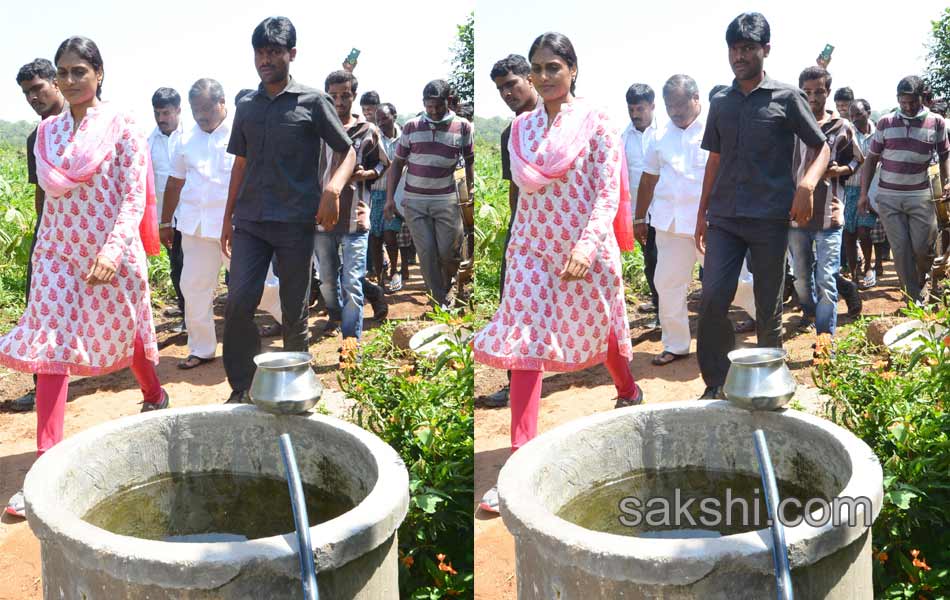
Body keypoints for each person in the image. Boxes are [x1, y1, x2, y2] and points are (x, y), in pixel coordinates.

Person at [472, 32, 640, 513]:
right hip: (531, 247)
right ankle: (519, 473)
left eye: (552, 68)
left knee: (602, 330)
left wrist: (586, 248)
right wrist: (515, 251)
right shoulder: (521, 131)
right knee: (527, 344)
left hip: (585, 246)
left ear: (572, 70)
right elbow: (524, 197)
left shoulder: (598, 123)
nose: (543, 77)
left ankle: (628, 388)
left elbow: (607, 193)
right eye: (536, 69)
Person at [1, 36, 167, 518]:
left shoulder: (124, 127)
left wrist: (113, 252)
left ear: (98, 74)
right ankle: (45, 473)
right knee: (50, 350)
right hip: (57, 252)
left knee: (127, 334)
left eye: (79, 71)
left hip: (109, 251)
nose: (69, 81)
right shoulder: (47, 135)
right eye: (63, 73)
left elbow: (132, 198)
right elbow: (50, 201)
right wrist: (41, 254)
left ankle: (154, 393)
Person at [695, 13, 830, 400]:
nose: (739, 56)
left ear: (765, 50)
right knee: (712, 299)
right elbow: (714, 160)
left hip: (769, 218)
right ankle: (716, 382)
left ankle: (771, 383)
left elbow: (822, 146)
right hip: (724, 218)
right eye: (734, 49)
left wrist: (806, 183)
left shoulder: (787, 98)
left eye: (748, 48)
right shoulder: (720, 101)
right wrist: (701, 213)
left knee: (768, 307)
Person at [222, 16, 355, 404]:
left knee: (295, 311)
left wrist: (333, 187)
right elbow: (240, 164)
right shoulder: (246, 104)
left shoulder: (313, 101)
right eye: (260, 52)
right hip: (250, 221)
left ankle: (297, 387)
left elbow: (347, 150)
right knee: (237, 303)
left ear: (290, 54)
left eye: (274, 52)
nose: (265, 59)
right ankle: (243, 387)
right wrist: (226, 218)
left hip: (295, 223)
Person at [160, 78, 283, 370]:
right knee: (193, 287)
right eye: (195, 109)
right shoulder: (184, 139)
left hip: (240, 228)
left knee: (261, 286)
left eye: (205, 108)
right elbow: (175, 182)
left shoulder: (244, 132)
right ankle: (202, 348)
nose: (201, 115)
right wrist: (166, 221)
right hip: (195, 227)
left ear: (222, 103)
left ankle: (292, 320)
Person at [635, 74, 707, 365]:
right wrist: (640, 217)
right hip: (670, 224)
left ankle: (765, 324)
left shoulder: (716, 129)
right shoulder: (659, 135)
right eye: (669, 106)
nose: (675, 111)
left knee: (736, 283)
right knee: (667, 284)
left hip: (710, 225)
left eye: (680, 104)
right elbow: (649, 178)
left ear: (696, 98)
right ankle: (676, 344)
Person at [481, 53, 540, 409]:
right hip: (525, 236)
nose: (506, 93)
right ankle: (517, 383)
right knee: (515, 308)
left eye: (511, 84)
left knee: (592, 306)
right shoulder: (510, 134)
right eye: (501, 88)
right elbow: (515, 189)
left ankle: (623, 380)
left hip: (567, 232)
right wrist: (515, 233)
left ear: (530, 78)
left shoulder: (563, 122)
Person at [859, 76, 950, 303]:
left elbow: (945, 153)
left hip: (921, 195)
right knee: (899, 251)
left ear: (922, 98)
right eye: (903, 101)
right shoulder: (886, 123)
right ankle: (913, 298)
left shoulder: (936, 122)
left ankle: (922, 276)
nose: (907, 107)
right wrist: (863, 194)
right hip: (889, 197)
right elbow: (871, 160)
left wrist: (948, 181)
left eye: (912, 101)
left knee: (923, 248)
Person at [384, 79, 473, 309]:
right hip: (415, 202)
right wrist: (389, 200)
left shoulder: (463, 127)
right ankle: (438, 298)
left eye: (438, 106)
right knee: (426, 252)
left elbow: (469, 162)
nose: (433, 111)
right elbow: (397, 164)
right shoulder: (412, 127)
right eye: (429, 106)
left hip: (446, 200)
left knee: (448, 251)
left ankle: (449, 283)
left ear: (448, 102)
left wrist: (469, 191)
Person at [789, 66, 864, 338]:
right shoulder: (790, 125)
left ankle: (824, 338)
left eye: (819, 91)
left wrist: (838, 171)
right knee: (799, 276)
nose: (813, 97)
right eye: (807, 92)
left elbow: (857, 159)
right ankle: (808, 311)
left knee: (826, 279)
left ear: (827, 93)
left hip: (829, 213)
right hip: (795, 214)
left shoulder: (841, 126)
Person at [315, 70, 386, 354]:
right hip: (320, 220)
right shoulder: (315, 129)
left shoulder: (367, 130)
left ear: (354, 96)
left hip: (356, 217)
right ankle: (333, 314)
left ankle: (351, 344)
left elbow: (383, 164)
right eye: (333, 96)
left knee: (352, 283)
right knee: (328, 282)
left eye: (345, 95)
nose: (339, 101)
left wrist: (365, 174)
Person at [11, 58, 65, 413]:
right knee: (41, 310)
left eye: (38, 88)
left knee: (120, 308)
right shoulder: (37, 137)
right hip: (51, 239)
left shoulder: (89, 125)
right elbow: (40, 192)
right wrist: (42, 234)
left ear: (56, 82)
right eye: (27, 93)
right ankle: (41, 386)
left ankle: (149, 385)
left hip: (93, 236)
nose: (33, 97)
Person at [148, 87, 186, 332]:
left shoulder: (191, 137)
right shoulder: (148, 143)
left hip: (193, 215)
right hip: (166, 221)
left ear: (178, 111)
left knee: (192, 271)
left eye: (166, 112)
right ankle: (187, 316)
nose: (161, 118)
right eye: (157, 113)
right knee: (177, 268)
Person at [622, 83, 660, 325]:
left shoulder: (665, 133)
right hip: (640, 216)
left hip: (667, 211)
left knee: (662, 264)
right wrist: (634, 219)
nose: (635, 114)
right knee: (651, 262)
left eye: (640, 109)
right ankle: (660, 309)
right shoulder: (622, 139)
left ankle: (667, 313)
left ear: (652, 106)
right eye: (631, 109)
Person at [846, 99, 884, 288]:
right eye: (851, 115)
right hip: (848, 189)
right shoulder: (847, 132)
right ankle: (853, 274)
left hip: (869, 190)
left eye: (858, 114)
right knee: (849, 234)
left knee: (864, 231)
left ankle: (868, 268)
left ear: (868, 112)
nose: (854, 119)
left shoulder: (879, 134)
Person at [372, 102, 406, 292]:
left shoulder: (404, 137)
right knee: (375, 238)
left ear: (394, 116)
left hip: (396, 194)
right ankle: (379, 277)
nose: (381, 122)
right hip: (376, 193)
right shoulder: (375, 137)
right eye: (378, 120)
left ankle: (394, 270)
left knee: (390, 235)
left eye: (384, 118)